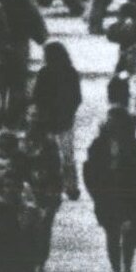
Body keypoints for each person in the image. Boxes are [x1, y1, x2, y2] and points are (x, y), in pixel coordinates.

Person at [81, 83, 136, 272]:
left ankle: (127, 269)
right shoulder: (98, 145)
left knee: (128, 234)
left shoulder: (133, 145)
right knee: (112, 234)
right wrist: (95, 192)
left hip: (129, 196)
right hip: (107, 196)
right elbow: (89, 170)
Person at [28, 40, 84, 199]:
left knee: (49, 154)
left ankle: (51, 185)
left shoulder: (44, 72)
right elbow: (77, 97)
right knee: (68, 157)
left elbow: (36, 97)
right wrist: (69, 112)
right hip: (65, 120)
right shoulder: (70, 72)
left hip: (47, 121)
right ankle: (71, 187)